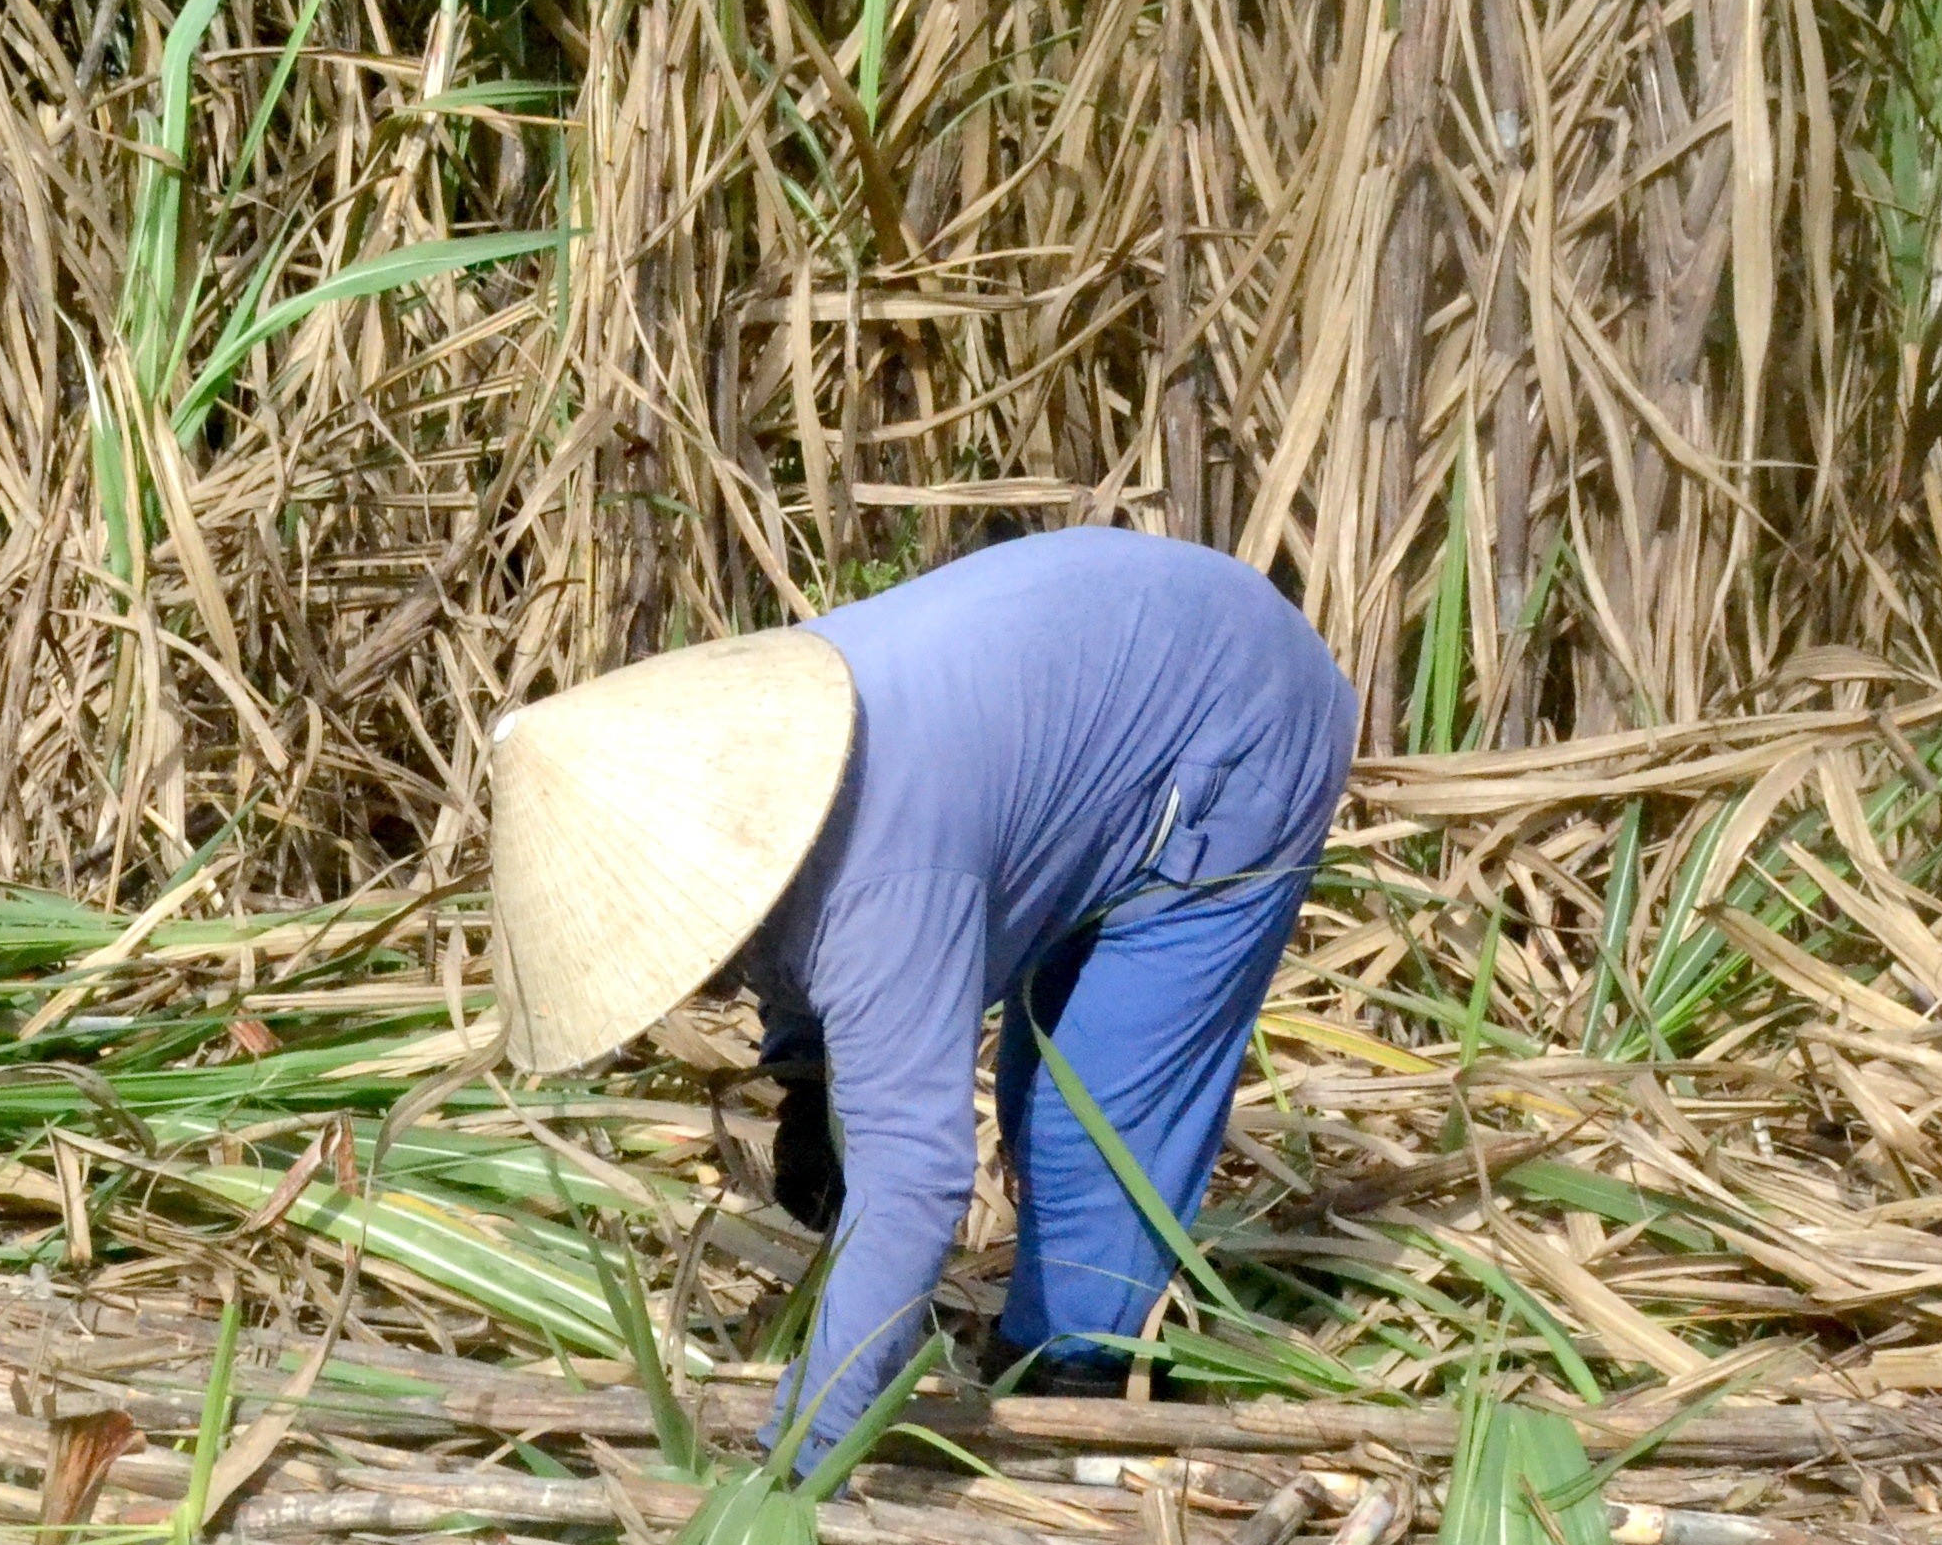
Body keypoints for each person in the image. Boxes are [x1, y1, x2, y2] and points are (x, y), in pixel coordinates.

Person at [488, 527, 1355, 1458]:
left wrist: (802, 1462)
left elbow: (916, 1179)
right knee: (1039, 1077)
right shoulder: (754, 756)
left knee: (1077, 1123)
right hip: (1088, 672)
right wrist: (807, 1072)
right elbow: (773, 894)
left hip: (1234, 716)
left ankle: (1080, 1402)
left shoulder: (879, 887)